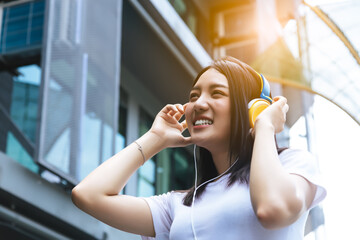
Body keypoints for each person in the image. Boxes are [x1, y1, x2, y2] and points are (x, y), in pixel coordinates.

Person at [71, 56, 326, 240]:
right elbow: (88, 195)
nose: (198, 104)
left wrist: (264, 126)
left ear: (252, 109)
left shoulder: (292, 165)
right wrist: (155, 138)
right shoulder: (177, 205)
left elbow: (273, 209)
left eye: (216, 94)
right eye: (194, 96)